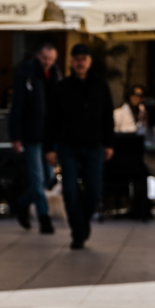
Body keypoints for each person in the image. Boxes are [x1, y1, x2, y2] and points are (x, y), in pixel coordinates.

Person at [45, 44, 114, 250]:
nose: (80, 62)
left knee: (94, 190)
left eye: (84, 58)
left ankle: (83, 223)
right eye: (76, 59)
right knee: (70, 190)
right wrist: (50, 148)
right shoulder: (62, 87)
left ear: (89, 61)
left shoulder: (100, 86)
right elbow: (51, 120)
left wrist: (109, 143)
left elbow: (107, 117)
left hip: (94, 146)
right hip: (68, 147)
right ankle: (78, 232)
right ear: (71, 62)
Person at [9, 42, 58, 233]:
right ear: (38, 56)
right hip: (31, 134)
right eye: (45, 59)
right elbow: (17, 107)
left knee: (48, 177)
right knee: (38, 179)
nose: (48, 62)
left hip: (48, 134)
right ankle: (44, 218)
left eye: (51, 60)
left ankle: (22, 203)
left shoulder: (54, 75)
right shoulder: (26, 74)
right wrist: (16, 136)